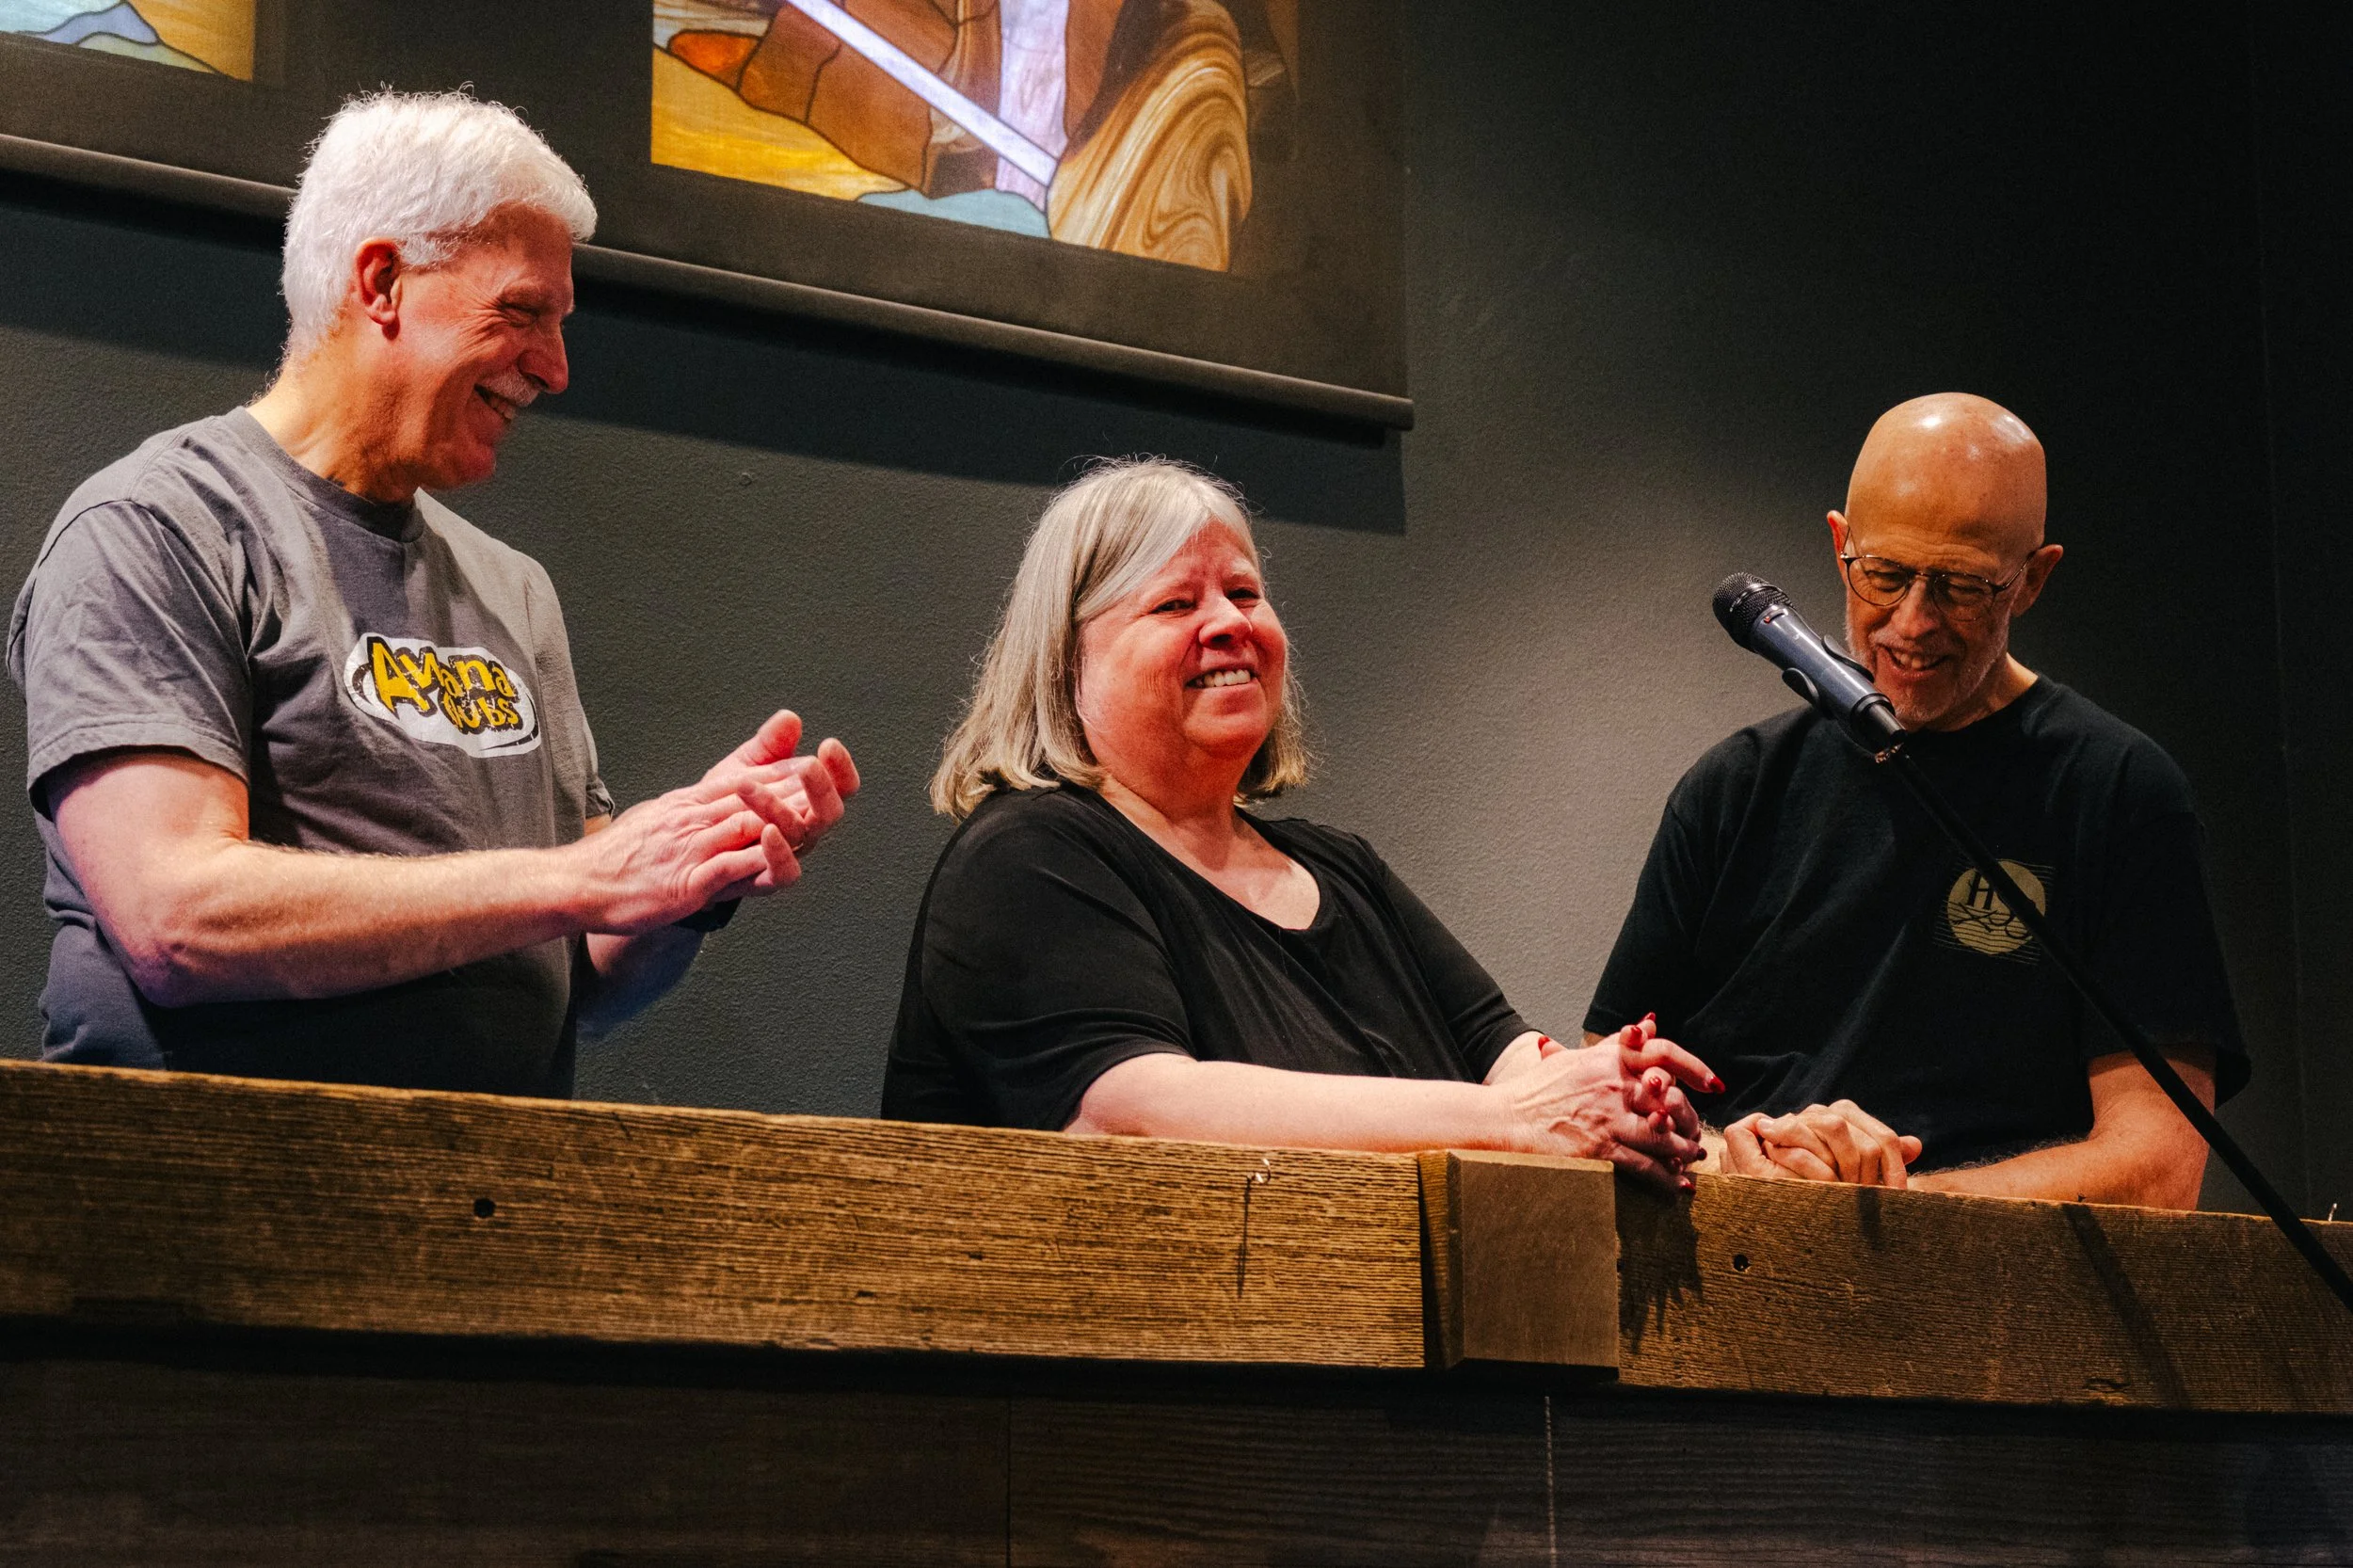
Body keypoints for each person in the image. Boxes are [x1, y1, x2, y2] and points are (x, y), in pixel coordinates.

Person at [7, 91, 858, 1093]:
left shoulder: (514, 592)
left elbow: (581, 975)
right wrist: (581, 873)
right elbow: (176, 919)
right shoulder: (159, 527)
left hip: (485, 1208)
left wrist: (686, 875)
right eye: (523, 313)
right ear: (382, 282)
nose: (555, 366)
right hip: (200, 1198)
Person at [883, 458, 1715, 1191]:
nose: (1230, 623)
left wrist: (1635, 1102)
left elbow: (1513, 1065)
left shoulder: (1345, 870)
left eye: (1245, 592)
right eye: (1175, 602)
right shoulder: (1027, 857)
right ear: (1067, 666)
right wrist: (1519, 1121)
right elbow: (1136, 1112)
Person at [1584, 393, 2245, 1207]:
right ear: (1840, 547)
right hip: (1728, 1258)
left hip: (1993, 1303)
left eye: (1962, 587)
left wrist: (1882, 1205)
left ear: (2032, 579)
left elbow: (2157, 1170)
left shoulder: (2118, 793)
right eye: (1886, 575)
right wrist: (1742, 1160)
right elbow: (1603, 1096)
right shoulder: (1732, 789)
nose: (1912, 623)